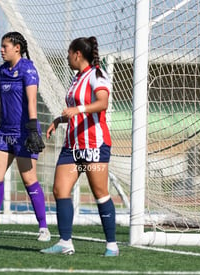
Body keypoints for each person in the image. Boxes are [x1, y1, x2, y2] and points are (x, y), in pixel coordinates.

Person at [0, 31, 50, 241]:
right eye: (1, 46)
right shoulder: (2, 70)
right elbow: (2, 101)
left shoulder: (28, 69)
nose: (1, 50)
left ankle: (44, 228)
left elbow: (31, 101)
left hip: (24, 132)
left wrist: (32, 130)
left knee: (29, 179)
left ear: (17, 48)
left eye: (5, 46)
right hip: (4, 132)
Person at [40, 37, 119, 256]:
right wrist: (59, 120)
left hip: (94, 144)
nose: (66, 57)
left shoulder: (96, 75)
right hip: (72, 145)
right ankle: (65, 242)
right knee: (59, 190)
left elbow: (102, 103)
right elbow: (74, 111)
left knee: (100, 192)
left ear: (77, 54)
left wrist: (79, 109)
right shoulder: (76, 79)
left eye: (68, 53)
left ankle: (112, 245)